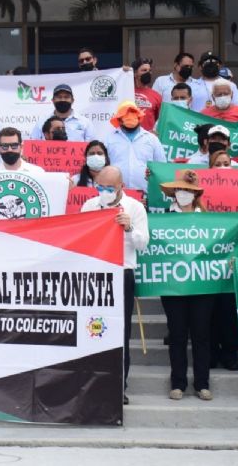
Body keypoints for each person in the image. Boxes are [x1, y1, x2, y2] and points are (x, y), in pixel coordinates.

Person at [80, 166, 148, 405]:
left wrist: (129, 228)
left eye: (108, 188)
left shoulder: (135, 207)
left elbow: (143, 244)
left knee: (120, 332)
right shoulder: (89, 206)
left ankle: (119, 385)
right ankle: (92, 381)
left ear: (120, 187)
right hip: (96, 274)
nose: (103, 192)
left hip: (122, 273)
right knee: (92, 329)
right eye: (99, 187)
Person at [157, 171, 215, 400]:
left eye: (188, 190)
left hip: (202, 283)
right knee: (178, 334)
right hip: (173, 284)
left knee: (202, 334)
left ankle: (202, 383)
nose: (183, 194)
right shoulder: (162, 217)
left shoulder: (208, 217)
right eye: (180, 190)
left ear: (195, 194)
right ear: (173, 194)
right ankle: (178, 383)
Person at [104, 102, 165, 191]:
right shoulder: (109, 139)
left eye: (133, 115)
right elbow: (104, 166)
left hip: (145, 192)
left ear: (139, 118)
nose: (130, 119)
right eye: (126, 116)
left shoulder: (152, 139)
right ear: (119, 119)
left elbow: (161, 165)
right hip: (117, 192)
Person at [29, 83, 94, 141]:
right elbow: (33, 145)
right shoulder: (42, 122)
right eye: (59, 97)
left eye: (66, 97)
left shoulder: (85, 122)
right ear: (53, 100)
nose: (63, 100)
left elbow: (92, 147)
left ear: (72, 100)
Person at [132, 58, 162, 130]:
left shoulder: (156, 96)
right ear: (135, 73)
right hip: (128, 137)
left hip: (148, 138)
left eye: (149, 70)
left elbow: (161, 120)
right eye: (144, 70)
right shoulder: (126, 92)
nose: (148, 73)